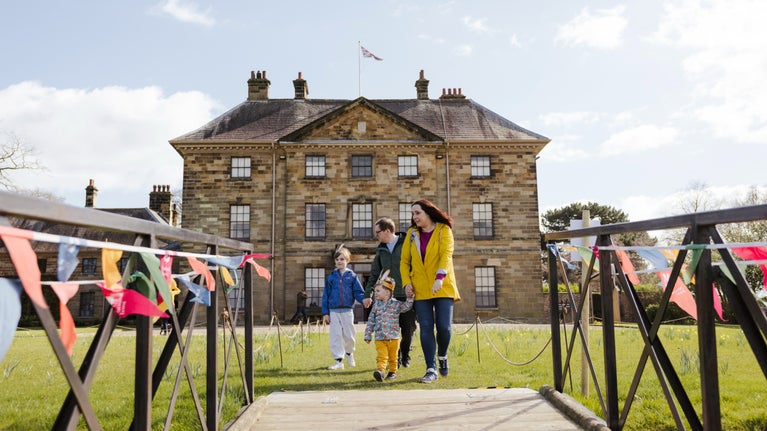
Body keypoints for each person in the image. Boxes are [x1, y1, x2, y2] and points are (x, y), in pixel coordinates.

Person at [400, 199, 460, 383]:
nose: (414, 217)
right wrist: (406, 283)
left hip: (443, 286)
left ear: (428, 212)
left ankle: (442, 355)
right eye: (412, 214)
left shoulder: (444, 230)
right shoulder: (411, 233)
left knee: (444, 327)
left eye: (417, 213)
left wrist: (439, 278)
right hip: (420, 289)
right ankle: (431, 369)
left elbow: (446, 255)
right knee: (426, 327)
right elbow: (404, 261)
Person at [363, 217, 417, 368]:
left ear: (387, 231)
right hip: (388, 298)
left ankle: (405, 354)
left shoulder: (407, 243)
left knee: (408, 330)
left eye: (378, 232)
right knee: (390, 331)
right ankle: (395, 359)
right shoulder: (381, 250)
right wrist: (367, 294)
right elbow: (374, 274)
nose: (376, 235)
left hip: (406, 294)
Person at [322, 246, 365, 370]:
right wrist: (326, 312)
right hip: (334, 311)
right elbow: (326, 295)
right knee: (335, 336)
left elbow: (358, 292)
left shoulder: (352, 276)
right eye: (337, 260)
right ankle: (338, 361)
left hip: (347, 310)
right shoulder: (331, 277)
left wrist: (364, 300)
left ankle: (349, 353)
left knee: (349, 335)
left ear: (348, 260)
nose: (339, 261)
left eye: (342, 259)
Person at [364, 275, 414, 381]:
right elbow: (371, 321)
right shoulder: (376, 306)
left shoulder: (396, 304)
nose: (375, 293)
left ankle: (392, 372)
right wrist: (368, 334)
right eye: (375, 291)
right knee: (381, 356)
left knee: (393, 357)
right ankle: (381, 371)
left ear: (387, 292)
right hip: (380, 337)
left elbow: (406, 307)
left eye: (378, 291)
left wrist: (410, 298)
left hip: (393, 337)